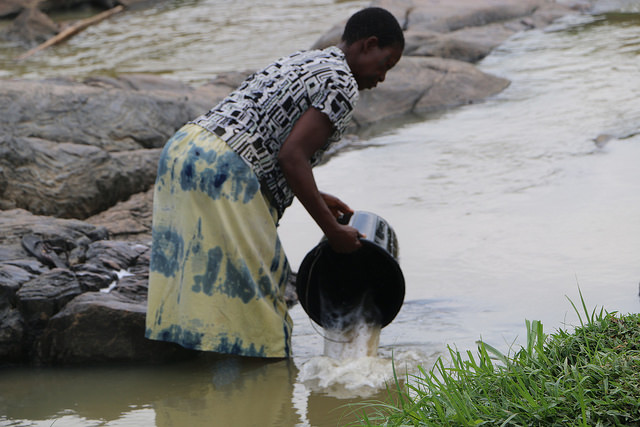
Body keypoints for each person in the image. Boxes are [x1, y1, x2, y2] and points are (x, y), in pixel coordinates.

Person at [145, 7, 404, 358]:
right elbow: (292, 156)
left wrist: (316, 195)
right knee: (260, 296)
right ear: (367, 45)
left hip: (185, 151)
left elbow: (273, 139)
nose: (383, 78)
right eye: (385, 64)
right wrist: (333, 232)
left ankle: (187, 370)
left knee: (198, 278)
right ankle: (264, 392)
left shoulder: (307, 59)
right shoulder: (342, 82)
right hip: (226, 170)